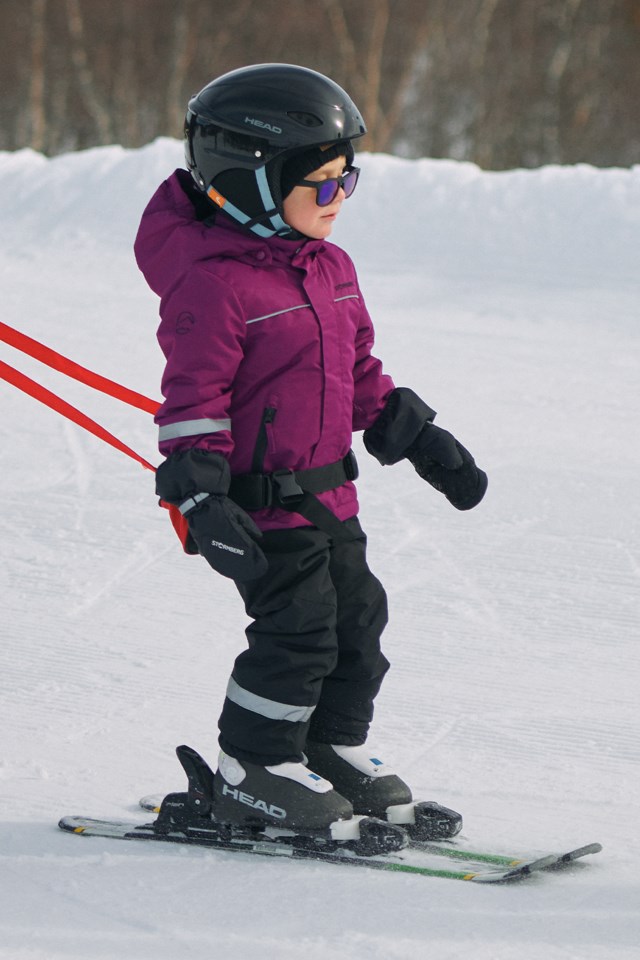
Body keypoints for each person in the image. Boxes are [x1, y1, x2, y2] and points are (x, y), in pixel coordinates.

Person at [135, 63, 487, 838]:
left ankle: (321, 748)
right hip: (262, 506)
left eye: (346, 182)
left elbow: (357, 371)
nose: (340, 200)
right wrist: (199, 496)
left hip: (331, 494)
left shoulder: (329, 268)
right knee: (298, 633)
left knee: (359, 620)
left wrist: (419, 436)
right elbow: (191, 402)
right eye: (324, 184)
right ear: (257, 182)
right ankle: (254, 765)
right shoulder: (215, 286)